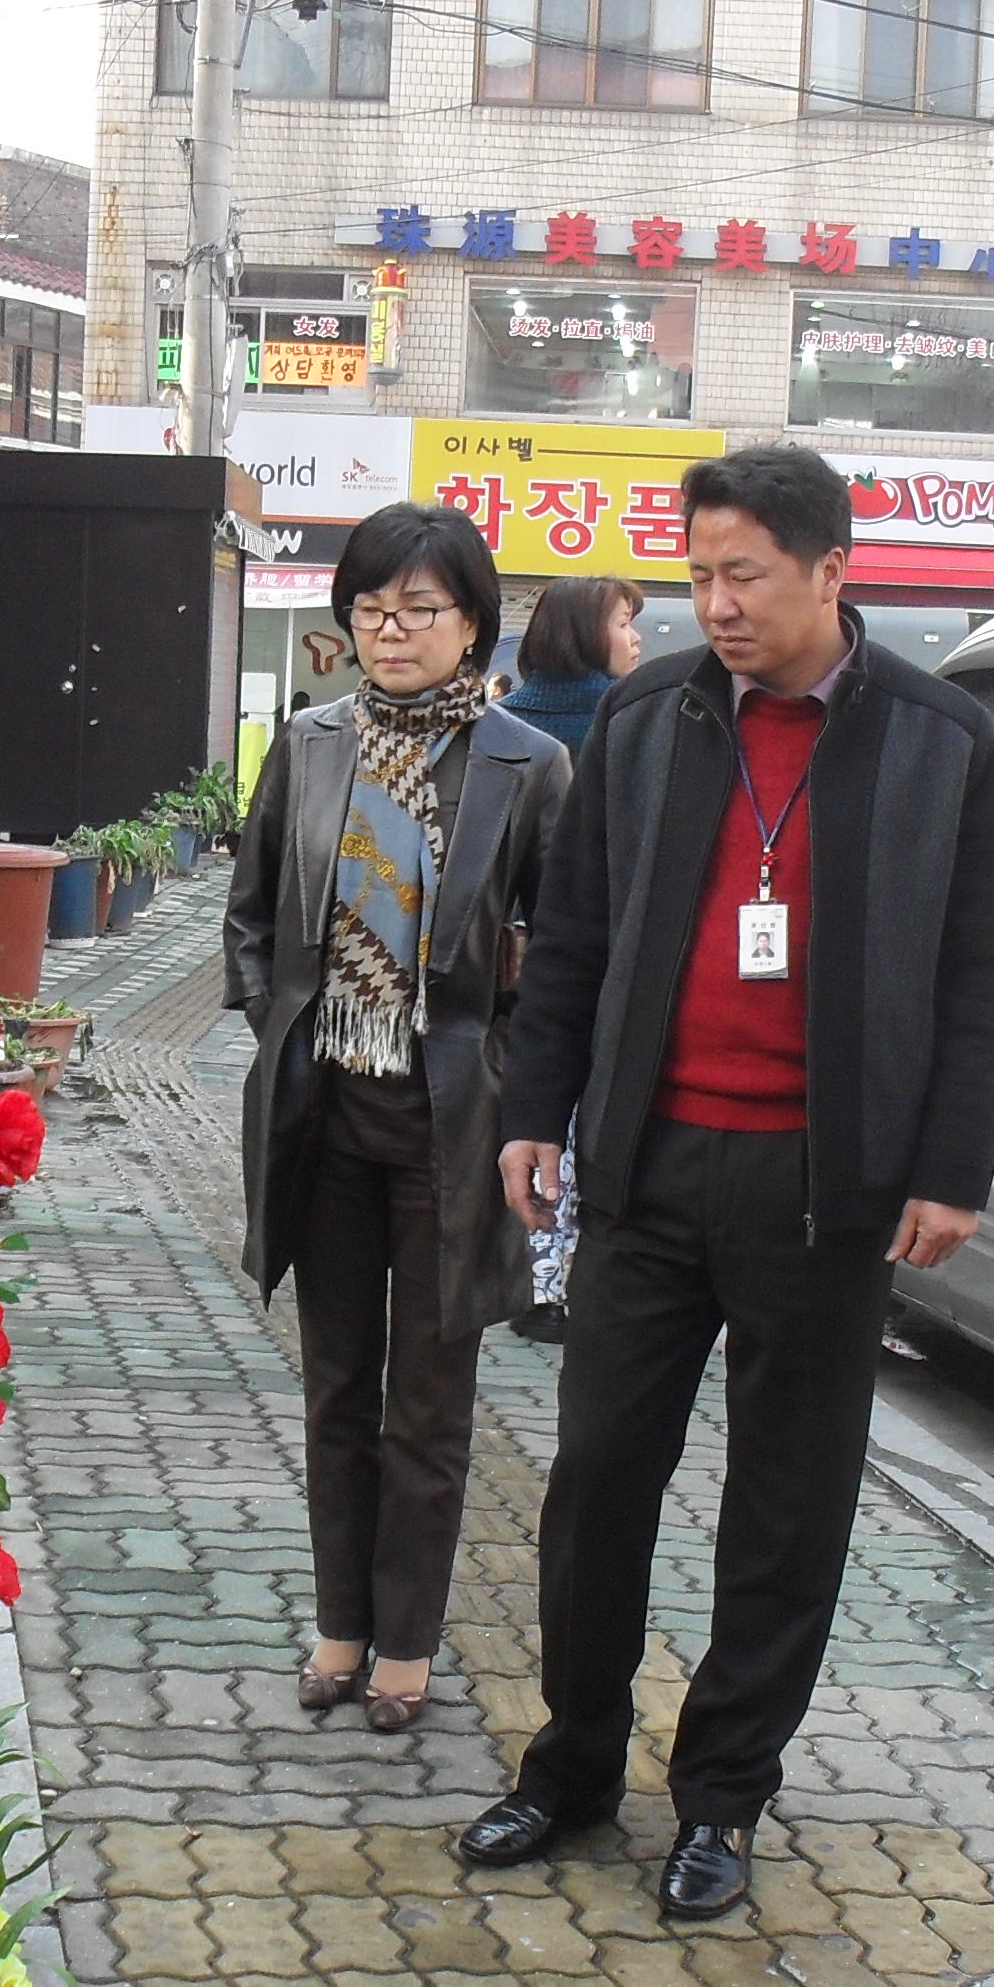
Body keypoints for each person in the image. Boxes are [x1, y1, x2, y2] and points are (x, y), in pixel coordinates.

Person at [470, 445, 994, 1920]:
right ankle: (573, 1769)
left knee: (785, 1512)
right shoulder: (651, 717)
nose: (713, 604)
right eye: (697, 576)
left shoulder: (938, 737)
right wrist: (539, 1112)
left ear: (833, 570)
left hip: (825, 1191)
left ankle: (722, 1800)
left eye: (744, 577)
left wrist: (951, 1167)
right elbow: (573, 927)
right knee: (595, 1484)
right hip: (648, 1174)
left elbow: (978, 973)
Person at [227, 502, 569, 1732]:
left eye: (420, 610)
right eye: (371, 610)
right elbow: (252, 919)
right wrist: (284, 1027)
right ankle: (339, 1624)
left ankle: (410, 1641)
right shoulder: (311, 747)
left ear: (473, 622)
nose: (393, 632)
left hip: (451, 1128)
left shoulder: (530, 764)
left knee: (428, 1400)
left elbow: (566, 951)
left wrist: (513, 1081)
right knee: (335, 1387)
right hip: (327, 1113)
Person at [500, 576, 645, 1344]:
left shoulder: (501, 724)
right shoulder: (633, 728)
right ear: (591, 634)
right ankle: (573, 1277)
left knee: (535, 1111)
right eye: (626, 623)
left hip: (518, 961)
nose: (637, 640)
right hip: (608, 958)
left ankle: (535, 1279)